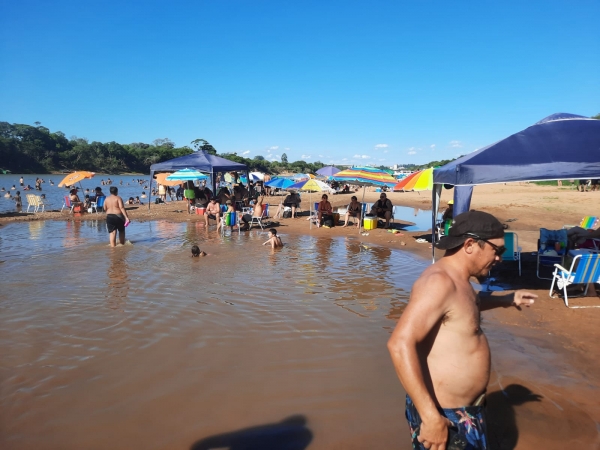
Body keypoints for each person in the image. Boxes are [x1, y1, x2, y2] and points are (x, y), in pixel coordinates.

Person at [387, 211, 537, 450]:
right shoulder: (439, 282)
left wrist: (507, 298)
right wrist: (430, 417)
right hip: (444, 416)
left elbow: (468, 306)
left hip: (464, 411)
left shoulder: (459, 281)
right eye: (497, 250)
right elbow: (399, 344)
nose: (499, 258)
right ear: (470, 245)